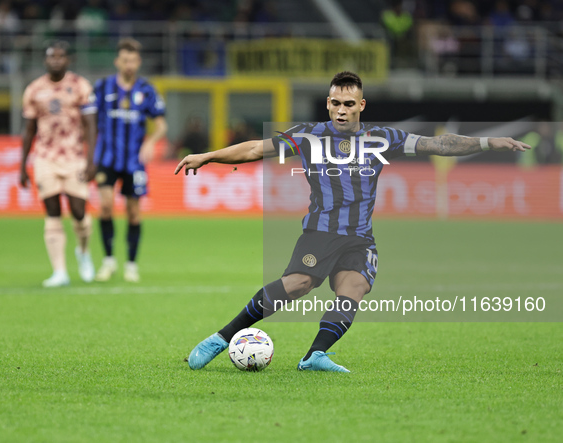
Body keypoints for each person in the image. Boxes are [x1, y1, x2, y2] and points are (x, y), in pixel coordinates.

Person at [175, 71, 531, 373]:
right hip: (320, 234)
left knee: (354, 289)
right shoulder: (309, 136)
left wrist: (488, 141)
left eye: (349, 104)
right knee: (298, 284)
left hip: (359, 240)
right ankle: (221, 338)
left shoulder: (381, 138)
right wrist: (207, 155)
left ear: (361, 106)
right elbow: (254, 149)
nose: (341, 110)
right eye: (335, 103)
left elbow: (438, 144)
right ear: (327, 104)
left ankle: (315, 355)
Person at [20, 40, 97, 287]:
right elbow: (29, 129)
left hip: (74, 157)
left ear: (68, 60)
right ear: (45, 60)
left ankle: (83, 252)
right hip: (44, 158)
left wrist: (91, 159)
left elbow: (90, 126)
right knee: (52, 210)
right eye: (52, 56)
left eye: (61, 56)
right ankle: (60, 272)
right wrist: (22, 165)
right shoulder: (34, 89)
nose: (56, 60)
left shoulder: (80, 86)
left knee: (78, 212)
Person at [93, 38, 167, 283]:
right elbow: (89, 120)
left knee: (133, 212)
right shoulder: (102, 87)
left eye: (133, 60)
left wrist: (150, 142)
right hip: (106, 157)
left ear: (139, 62)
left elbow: (161, 125)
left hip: (134, 161)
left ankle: (131, 264)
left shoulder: (146, 90)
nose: (129, 65)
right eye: (125, 60)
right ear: (117, 61)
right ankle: (108, 260)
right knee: (105, 206)